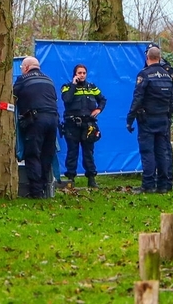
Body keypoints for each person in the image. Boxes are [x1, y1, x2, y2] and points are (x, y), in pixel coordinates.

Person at [127, 46, 173, 193]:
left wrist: (130, 118)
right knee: (161, 152)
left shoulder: (144, 74)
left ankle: (148, 185)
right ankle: (163, 185)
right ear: (160, 57)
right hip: (163, 118)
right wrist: (168, 113)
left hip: (147, 119)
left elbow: (138, 98)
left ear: (147, 58)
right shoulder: (167, 75)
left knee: (147, 152)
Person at [13, 57, 60, 198]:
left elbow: (11, 98)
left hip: (35, 120)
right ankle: (45, 188)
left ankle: (36, 192)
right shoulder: (49, 80)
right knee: (47, 154)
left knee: (33, 154)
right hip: (53, 119)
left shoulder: (22, 79)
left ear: (26, 67)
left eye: (22, 67)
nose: (22, 70)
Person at [61, 64, 106, 188]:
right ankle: (70, 179)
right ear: (75, 74)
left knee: (88, 152)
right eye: (79, 73)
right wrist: (74, 85)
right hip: (72, 124)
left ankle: (91, 179)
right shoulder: (67, 87)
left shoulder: (92, 87)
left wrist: (99, 109)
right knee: (72, 152)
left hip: (88, 125)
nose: (82, 75)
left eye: (84, 73)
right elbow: (67, 99)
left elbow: (102, 100)